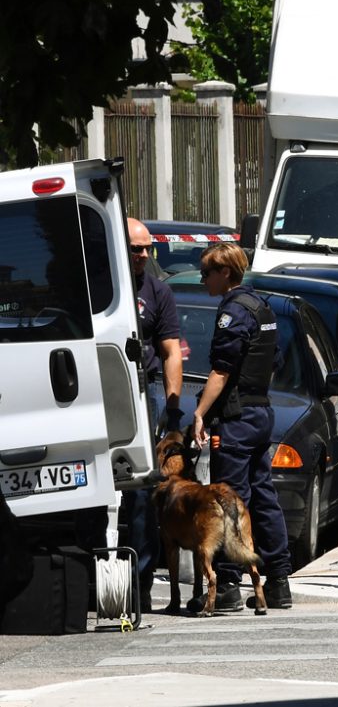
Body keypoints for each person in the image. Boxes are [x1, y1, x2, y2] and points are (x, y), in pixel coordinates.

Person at [75, 218, 184, 612]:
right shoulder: (95, 287)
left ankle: (138, 587)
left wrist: (172, 410)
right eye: (135, 248)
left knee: (140, 490)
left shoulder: (157, 290)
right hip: (93, 393)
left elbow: (170, 349)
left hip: (141, 393)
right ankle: (92, 582)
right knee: (92, 485)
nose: (142, 255)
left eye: (146, 249)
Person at [188, 242, 293, 613]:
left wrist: (200, 412)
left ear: (225, 273)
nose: (203, 280)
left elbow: (222, 369)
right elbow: (273, 360)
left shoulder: (232, 312)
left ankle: (228, 586)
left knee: (229, 500)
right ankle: (279, 583)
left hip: (235, 418)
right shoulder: (263, 307)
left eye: (207, 273)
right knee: (263, 496)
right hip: (261, 413)